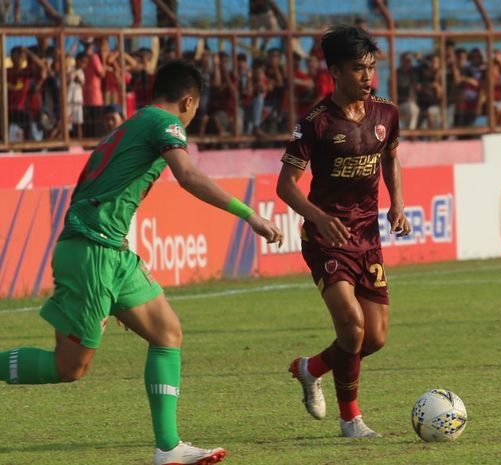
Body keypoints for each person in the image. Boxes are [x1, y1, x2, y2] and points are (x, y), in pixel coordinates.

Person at [0, 60, 283, 465]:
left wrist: (112, 287)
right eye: (194, 110)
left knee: (167, 332)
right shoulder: (165, 124)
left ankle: (168, 447)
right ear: (188, 101)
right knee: (70, 367)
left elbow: (103, 188)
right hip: (93, 250)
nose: (191, 118)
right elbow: (187, 176)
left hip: (108, 251)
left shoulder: (133, 123)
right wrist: (249, 214)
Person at [276, 25, 411, 438]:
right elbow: (285, 186)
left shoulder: (386, 112)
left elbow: (390, 158)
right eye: (358, 70)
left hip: (367, 237)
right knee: (352, 329)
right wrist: (317, 217)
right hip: (326, 238)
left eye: (371, 68)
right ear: (335, 71)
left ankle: (310, 368)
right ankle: (351, 419)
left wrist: (397, 205)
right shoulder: (315, 123)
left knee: (375, 338)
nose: (368, 77)